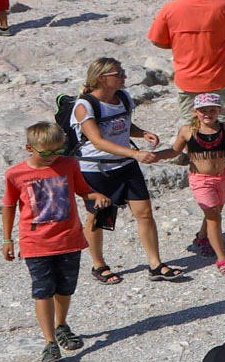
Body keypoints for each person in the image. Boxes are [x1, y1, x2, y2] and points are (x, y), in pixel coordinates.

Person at [0, 120, 113, 362]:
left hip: (69, 239)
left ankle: (62, 325)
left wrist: (98, 196)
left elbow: (84, 191)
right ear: (30, 148)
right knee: (43, 291)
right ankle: (49, 341)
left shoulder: (69, 165)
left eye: (57, 151)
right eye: (46, 152)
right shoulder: (16, 174)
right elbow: (8, 205)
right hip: (36, 243)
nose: (52, 157)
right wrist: (7, 238)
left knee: (65, 288)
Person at [69, 58, 178, 284]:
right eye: (119, 74)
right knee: (99, 217)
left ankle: (155, 263)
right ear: (102, 78)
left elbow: (124, 125)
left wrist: (142, 133)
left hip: (125, 165)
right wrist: (135, 154)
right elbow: (97, 141)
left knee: (145, 212)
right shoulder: (85, 106)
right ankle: (99, 264)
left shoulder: (124, 98)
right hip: (97, 170)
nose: (124, 77)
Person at [148, 0, 225, 121]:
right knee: (223, 124)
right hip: (220, 76)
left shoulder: (170, 8)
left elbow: (156, 40)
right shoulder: (224, 6)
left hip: (187, 78)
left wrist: (179, 45)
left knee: (192, 125)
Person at [171, 93, 225, 275]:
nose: (208, 114)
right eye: (203, 110)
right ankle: (222, 260)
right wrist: (151, 155)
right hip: (200, 178)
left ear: (219, 110)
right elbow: (174, 151)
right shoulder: (188, 131)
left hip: (222, 177)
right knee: (213, 216)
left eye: (212, 110)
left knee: (216, 210)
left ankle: (202, 238)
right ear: (195, 111)